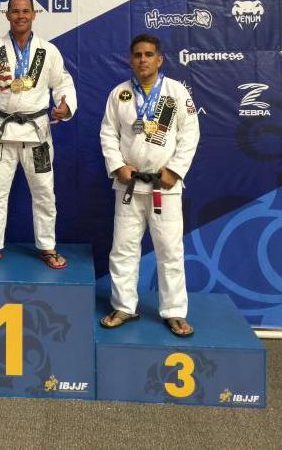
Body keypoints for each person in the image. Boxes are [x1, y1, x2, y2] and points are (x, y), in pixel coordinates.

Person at [0, 0, 77, 269]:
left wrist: (65, 105)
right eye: (15, 11)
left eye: (26, 11)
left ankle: (47, 246)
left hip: (37, 133)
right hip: (0, 132)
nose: (20, 16)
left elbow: (63, 84)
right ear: (7, 15)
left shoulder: (48, 51)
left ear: (34, 14)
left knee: (44, 192)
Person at [99, 34, 199, 336]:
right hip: (129, 186)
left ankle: (175, 311)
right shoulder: (119, 93)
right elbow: (108, 133)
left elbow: (190, 134)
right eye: (138, 55)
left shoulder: (176, 92)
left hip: (164, 186)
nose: (143, 59)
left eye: (149, 54)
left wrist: (175, 171)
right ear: (130, 60)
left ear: (159, 59)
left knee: (170, 250)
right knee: (123, 249)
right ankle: (124, 306)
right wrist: (118, 166)